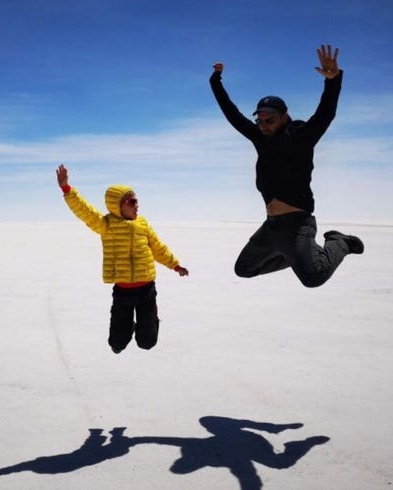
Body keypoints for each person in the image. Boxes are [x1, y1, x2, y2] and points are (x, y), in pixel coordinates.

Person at [210, 44, 363, 288]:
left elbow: (325, 115)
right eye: (259, 120)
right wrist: (216, 80)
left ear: (284, 116)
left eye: (269, 120)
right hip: (271, 227)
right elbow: (232, 114)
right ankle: (297, 258)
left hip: (297, 224)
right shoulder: (260, 138)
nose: (263, 125)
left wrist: (333, 81)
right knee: (244, 269)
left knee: (313, 277)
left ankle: (339, 242)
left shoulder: (301, 137)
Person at [56, 164, 189, 353]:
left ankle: (150, 321)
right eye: (132, 202)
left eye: (137, 201)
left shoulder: (143, 224)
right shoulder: (107, 225)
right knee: (117, 344)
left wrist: (175, 265)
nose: (137, 205)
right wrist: (66, 189)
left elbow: (158, 248)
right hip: (122, 292)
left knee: (147, 342)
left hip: (146, 291)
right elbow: (85, 212)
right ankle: (130, 328)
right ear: (117, 205)